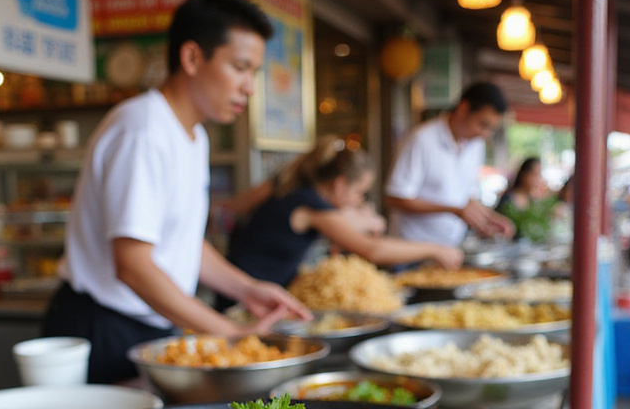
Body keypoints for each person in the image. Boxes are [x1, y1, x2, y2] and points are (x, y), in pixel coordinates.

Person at [41, 0, 311, 384]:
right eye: (240, 68)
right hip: (103, 327)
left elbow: (181, 241)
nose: (250, 87)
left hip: (151, 324)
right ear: (191, 58)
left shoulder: (193, 136)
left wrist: (247, 289)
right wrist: (228, 333)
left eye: (254, 72)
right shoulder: (143, 129)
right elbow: (133, 266)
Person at [224, 136, 463, 288]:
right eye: (359, 192)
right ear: (339, 184)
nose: (358, 200)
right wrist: (435, 249)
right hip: (245, 297)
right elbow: (373, 250)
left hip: (245, 286)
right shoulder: (312, 206)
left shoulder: (293, 188)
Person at [383, 81, 515, 247]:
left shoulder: (475, 146)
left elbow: (462, 198)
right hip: (411, 250)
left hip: (451, 248)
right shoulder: (422, 139)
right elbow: (395, 198)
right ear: (463, 109)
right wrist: (454, 210)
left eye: (491, 129)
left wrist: (489, 218)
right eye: (482, 125)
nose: (484, 134)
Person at [495, 156, 561, 244]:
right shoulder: (507, 200)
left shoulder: (535, 201)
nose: (537, 179)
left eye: (539, 175)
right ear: (523, 175)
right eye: (534, 174)